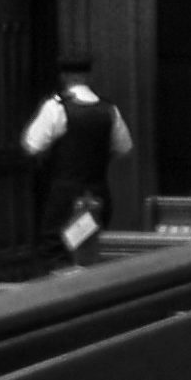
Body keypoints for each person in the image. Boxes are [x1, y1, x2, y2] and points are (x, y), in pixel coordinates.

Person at [20, 56, 133, 265]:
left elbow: (32, 146)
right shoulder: (109, 109)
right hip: (98, 193)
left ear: (63, 77)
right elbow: (124, 148)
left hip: (65, 195)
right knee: (93, 250)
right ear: (88, 76)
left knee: (56, 251)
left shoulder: (56, 107)